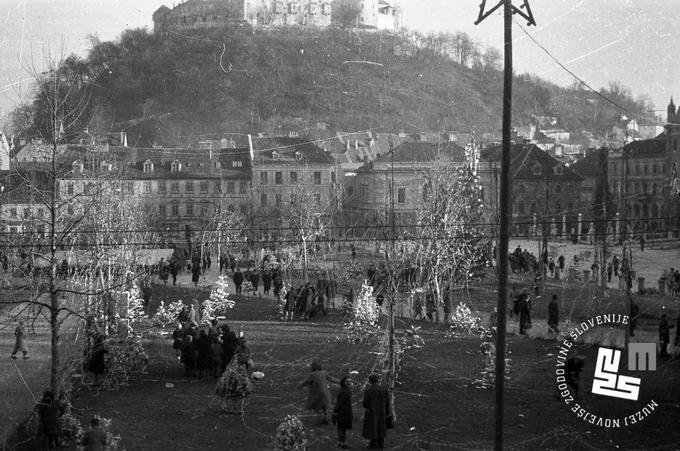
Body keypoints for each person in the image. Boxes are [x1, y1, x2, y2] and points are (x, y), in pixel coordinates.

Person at [362, 373, 390, 450]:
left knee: (373, 428)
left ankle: (373, 444)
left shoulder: (369, 390)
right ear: (377, 380)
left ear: (370, 381)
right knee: (381, 427)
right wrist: (387, 412)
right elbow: (387, 402)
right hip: (382, 412)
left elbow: (365, 403)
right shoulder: (384, 390)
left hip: (372, 412)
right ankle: (381, 444)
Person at [333, 375, 353, 449]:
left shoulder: (344, 389)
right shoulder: (343, 391)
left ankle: (340, 442)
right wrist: (336, 411)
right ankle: (343, 443)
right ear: (343, 382)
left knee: (341, 428)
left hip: (345, 411)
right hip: (343, 412)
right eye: (347, 381)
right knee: (342, 428)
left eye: (350, 381)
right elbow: (339, 403)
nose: (349, 382)